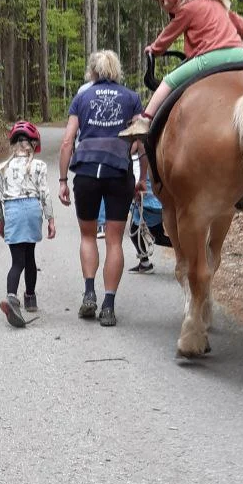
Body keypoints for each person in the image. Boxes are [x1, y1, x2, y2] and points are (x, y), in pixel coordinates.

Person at [58, 49, 146, 327]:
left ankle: (88, 294)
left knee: (87, 236)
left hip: (85, 170)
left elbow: (67, 140)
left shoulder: (82, 97)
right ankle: (108, 306)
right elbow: (141, 140)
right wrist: (141, 176)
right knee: (113, 240)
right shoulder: (131, 98)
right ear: (116, 70)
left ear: (92, 71)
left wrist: (62, 179)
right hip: (119, 171)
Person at [120, 0, 243, 140]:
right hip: (239, 54)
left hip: (210, 58)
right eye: (161, 1)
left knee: (168, 81)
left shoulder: (187, 9)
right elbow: (239, 22)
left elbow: (168, 36)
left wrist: (154, 49)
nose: (166, 3)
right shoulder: (216, 3)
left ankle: (144, 120)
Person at [0, 120, 56, 327]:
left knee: (17, 261)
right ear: (33, 145)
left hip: (12, 210)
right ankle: (30, 299)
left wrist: (1, 221)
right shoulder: (39, 166)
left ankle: (11, 297)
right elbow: (45, 193)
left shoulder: (2, 168)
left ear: (14, 144)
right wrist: (50, 219)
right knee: (30, 256)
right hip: (32, 210)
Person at [129, 174, 172, 272]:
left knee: (157, 237)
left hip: (147, 200)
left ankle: (188, 251)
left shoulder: (141, 162)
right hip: (154, 199)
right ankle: (144, 263)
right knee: (156, 236)